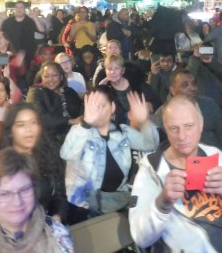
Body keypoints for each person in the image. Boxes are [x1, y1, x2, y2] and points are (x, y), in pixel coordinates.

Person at [129, 95, 222, 252]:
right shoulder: (151, 171)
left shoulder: (217, 156)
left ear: (201, 124)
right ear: (165, 129)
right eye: (174, 128)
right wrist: (163, 202)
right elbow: (141, 238)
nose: (182, 136)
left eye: (189, 126)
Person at [60, 86, 159, 218]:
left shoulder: (123, 132)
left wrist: (144, 122)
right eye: (93, 106)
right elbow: (66, 153)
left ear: (112, 107)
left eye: (102, 106)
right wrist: (86, 124)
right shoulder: (80, 132)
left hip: (117, 201)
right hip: (85, 207)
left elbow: (150, 143)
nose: (98, 111)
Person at [0, 103, 68, 223]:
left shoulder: (50, 155)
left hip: (47, 224)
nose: (29, 129)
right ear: (10, 131)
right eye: (21, 125)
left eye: (34, 123)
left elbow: (60, 196)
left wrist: (57, 217)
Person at [154, 69, 222, 147]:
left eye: (193, 84)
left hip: (214, 151)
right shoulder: (161, 115)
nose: (193, 88)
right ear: (172, 90)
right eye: (185, 85)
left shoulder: (209, 104)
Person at [26, 61, 84, 143]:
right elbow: (40, 117)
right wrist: (70, 121)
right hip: (48, 141)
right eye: (46, 76)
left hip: (74, 136)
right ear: (42, 78)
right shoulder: (35, 92)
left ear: (61, 77)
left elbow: (80, 108)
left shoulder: (69, 91)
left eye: (54, 75)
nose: (50, 79)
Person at [96, 54, 159, 124]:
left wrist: (148, 106)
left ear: (123, 70)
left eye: (116, 68)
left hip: (144, 121)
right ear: (105, 71)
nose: (112, 72)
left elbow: (154, 100)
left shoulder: (137, 82)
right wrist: (100, 89)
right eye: (109, 69)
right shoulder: (106, 89)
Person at [187, 44, 222, 114]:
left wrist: (211, 62)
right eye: (202, 50)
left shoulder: (212, 65)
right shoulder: (193, 66)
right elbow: (189, 78)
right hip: (205, 109)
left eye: (207, 50)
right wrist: (195, 58)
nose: (204, 53)